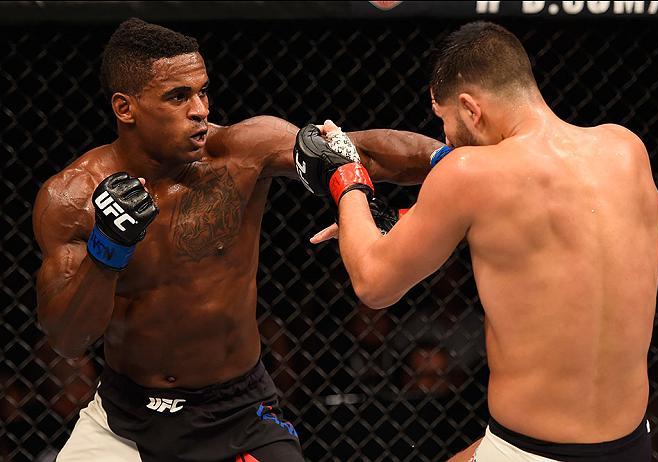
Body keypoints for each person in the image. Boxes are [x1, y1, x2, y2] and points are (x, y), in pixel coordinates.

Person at [32, 18, 442, 462]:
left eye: (203, 91)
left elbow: (363, 150)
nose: (200, 109)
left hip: (238, 415)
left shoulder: (242, 152)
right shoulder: (73, 197)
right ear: (125, 108)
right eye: (178, 96)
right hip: (124, 421)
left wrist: (455, 161)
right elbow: (67, 338)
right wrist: (107, 248)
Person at [295, 21, 658, 462]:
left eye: (445, 121)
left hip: (530, 453)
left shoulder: (470, 172)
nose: (447, 138)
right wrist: (404, 222)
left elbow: (373, 284)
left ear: (471, 108)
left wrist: (347, 176)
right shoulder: (627, 150)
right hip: (633, 445)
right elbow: (553, 235)